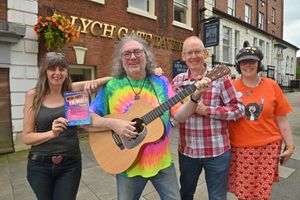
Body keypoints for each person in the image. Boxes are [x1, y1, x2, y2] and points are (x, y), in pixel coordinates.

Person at [84, 34, 211, 200]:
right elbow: (87, 117)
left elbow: (179, 116)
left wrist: (194, 98)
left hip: (162, 163)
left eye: (137, 52)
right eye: (127, 54)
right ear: (121, 59)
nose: (133, 57)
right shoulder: (112, 86)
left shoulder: (161, 82)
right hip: (127, 164)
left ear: (146, 55)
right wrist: (114, 124)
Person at [22, 52, 110, 200]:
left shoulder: (73, 90)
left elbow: (110, 80)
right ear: (45, 71)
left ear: (67, 72)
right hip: (39, 165)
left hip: (70, 164)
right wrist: (52, 133)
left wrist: (152, 72)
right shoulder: (34, 95)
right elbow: (27, 137)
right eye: (52, 69)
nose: (57, 73)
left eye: (62, 69)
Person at [172, 36, 245, 200]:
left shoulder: (219, 77)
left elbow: (239, 109)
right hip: (187, 151)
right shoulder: (177, 82)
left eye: (197, 51)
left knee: (217, 197)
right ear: (183, 57)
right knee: (185, 194)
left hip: (217, 152)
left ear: (205, 53)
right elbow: (172, 115)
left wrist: (208, 111)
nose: (193, 56)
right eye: (189, 53)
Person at [227, 46, 295, 199]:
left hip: (269, 147)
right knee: (244, 194)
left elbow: (281, 119)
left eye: (252, 61)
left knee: (262, 193)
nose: (247, 65)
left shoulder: (272, 85)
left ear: (259, 64)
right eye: (243, 62)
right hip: (240, 148)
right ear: (238, 65)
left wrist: (290, 146)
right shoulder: (231, 87)